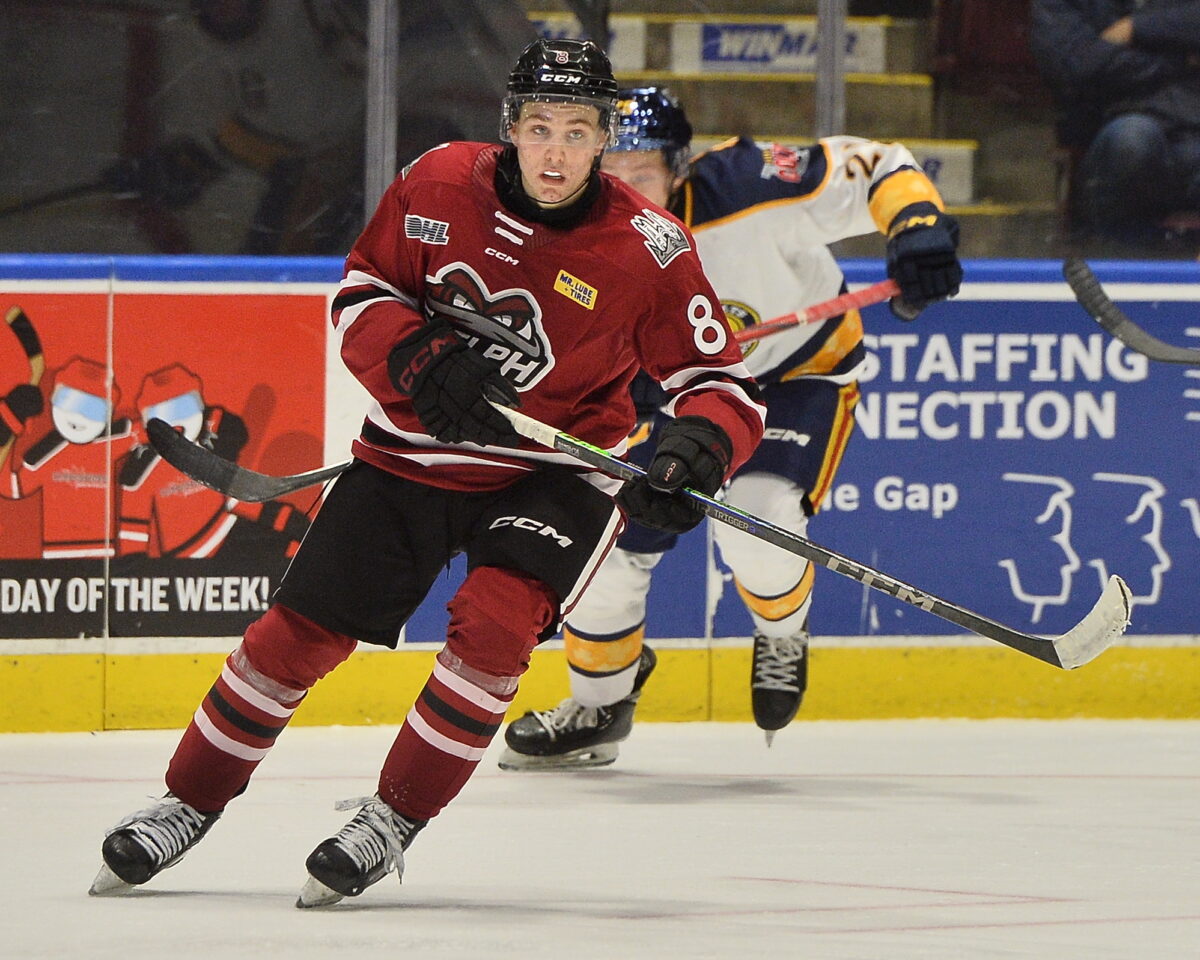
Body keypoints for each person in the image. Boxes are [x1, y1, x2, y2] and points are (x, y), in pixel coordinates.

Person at [89, 39, 764, 906]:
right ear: (511, 126)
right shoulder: (439, 182)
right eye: (541, 127)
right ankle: (187, 802)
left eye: (577, 132)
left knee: (494, 628)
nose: (556, 152)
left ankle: (391, 818)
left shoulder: (650, 247)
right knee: (293, 639)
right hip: (413, 453)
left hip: (552, 473)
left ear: (603, 139)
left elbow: (721, 386)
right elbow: (362, 293)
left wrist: (693, 450)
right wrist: (416, 357)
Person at [499, 87, 962, 770]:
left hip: (793, 375)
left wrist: (917, 224)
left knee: (759, 518)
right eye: (609, 170)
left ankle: (782, 629)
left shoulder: (750, 184)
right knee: (602, 544)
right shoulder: (562, 226)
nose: (625, 189)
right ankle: (600, 704)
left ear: (680, 169)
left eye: (643, 173)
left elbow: (877, 165)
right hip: (674, 397)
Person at [1029, 0, 1200, 249]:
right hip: (1108, 134)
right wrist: (1181, 61)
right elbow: (1077, 65)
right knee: (1133, 139)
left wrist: (1136, 28)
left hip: (1191, 128)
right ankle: (1122, 255)